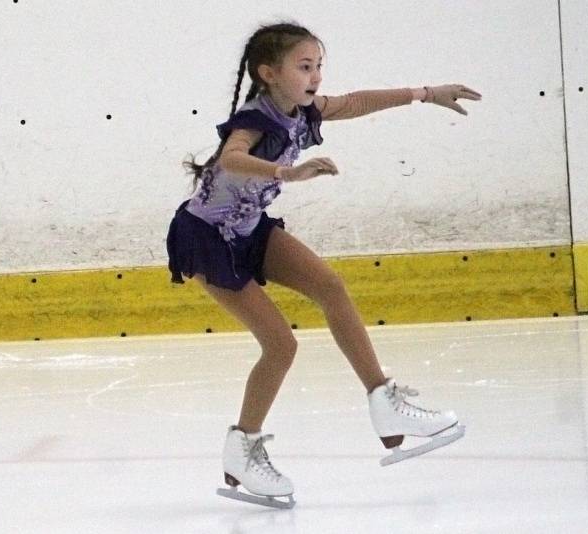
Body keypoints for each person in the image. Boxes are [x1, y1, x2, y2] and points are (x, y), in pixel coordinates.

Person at [167, 21, 481, 508]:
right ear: (268, 73)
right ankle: (242, 448)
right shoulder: (255, 119)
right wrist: (285, 172)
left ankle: (385, 403)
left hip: (250, 228)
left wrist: (423, 93)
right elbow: (230, 159)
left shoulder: (303, 110)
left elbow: (354, 102)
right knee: (281, 346)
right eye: (304, 66)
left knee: (331, 287)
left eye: (318, 66)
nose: (315, 77)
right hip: (208, 239)